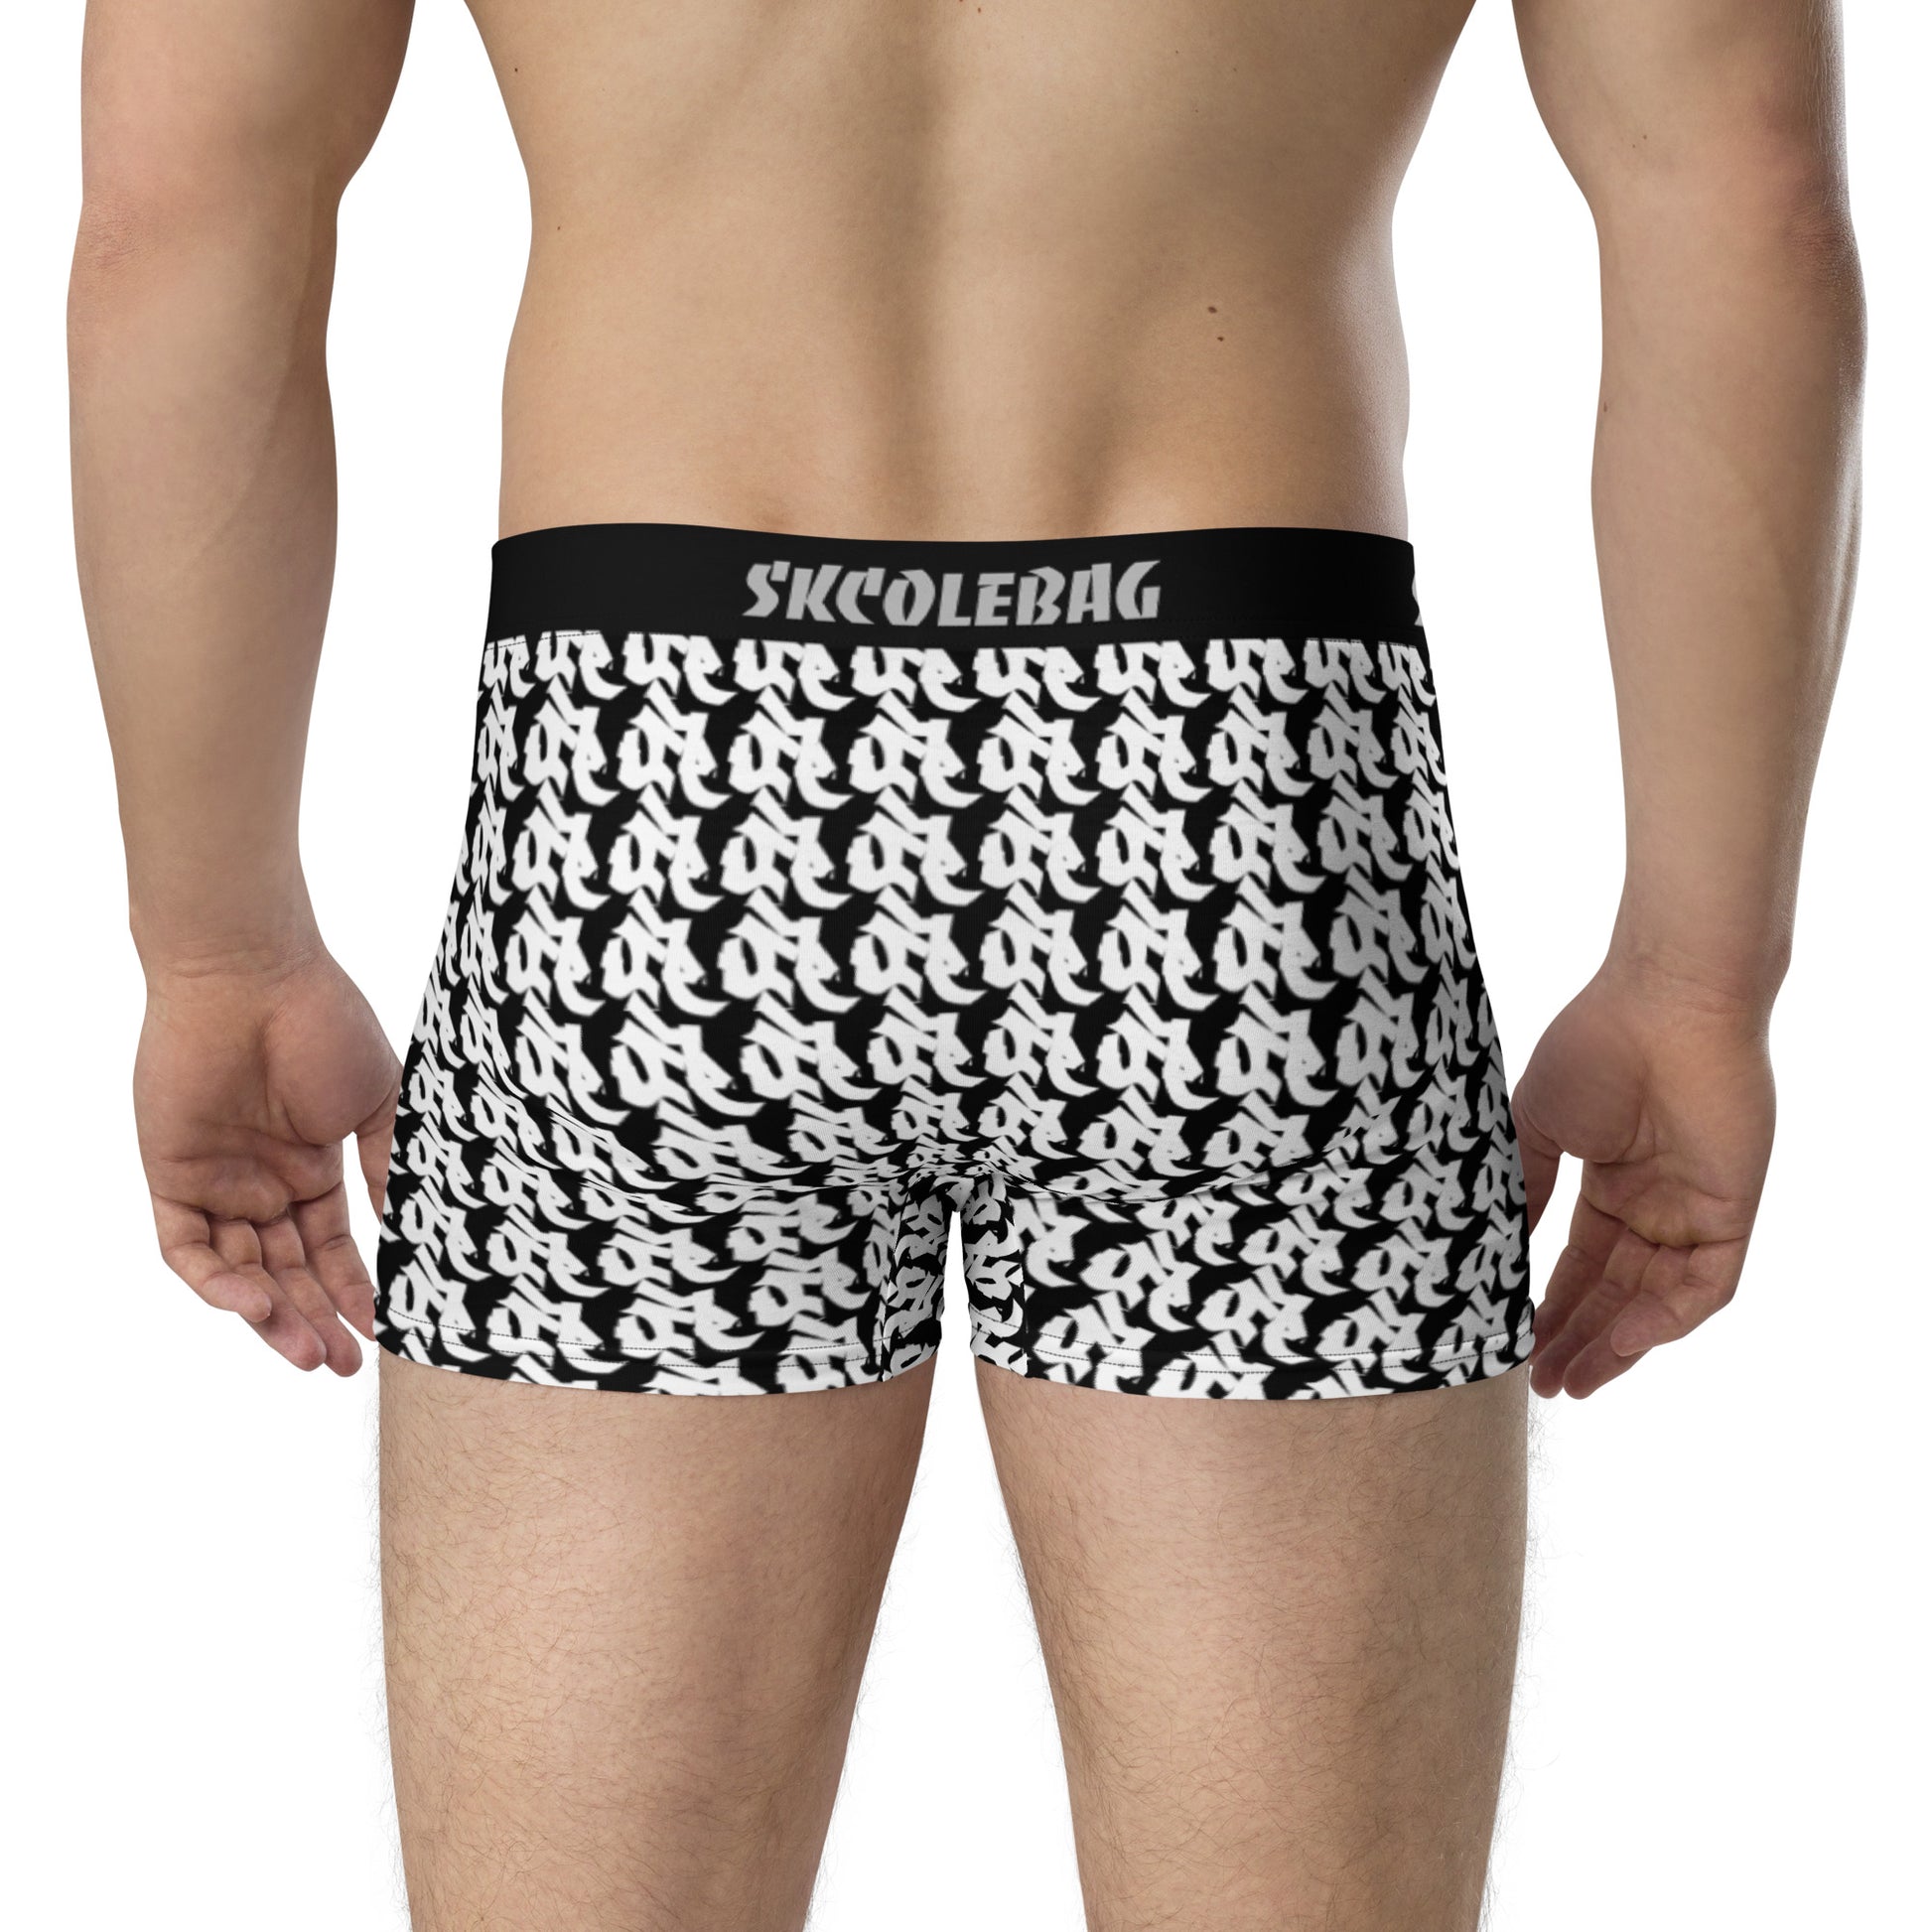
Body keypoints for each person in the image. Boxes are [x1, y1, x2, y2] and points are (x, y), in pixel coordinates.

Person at [67, 0, 1862, 1924]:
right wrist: (1701, 972)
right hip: (1235, 786)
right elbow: (1738, 198)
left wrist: (216, 939)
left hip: (662, 797)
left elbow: (187, 212)